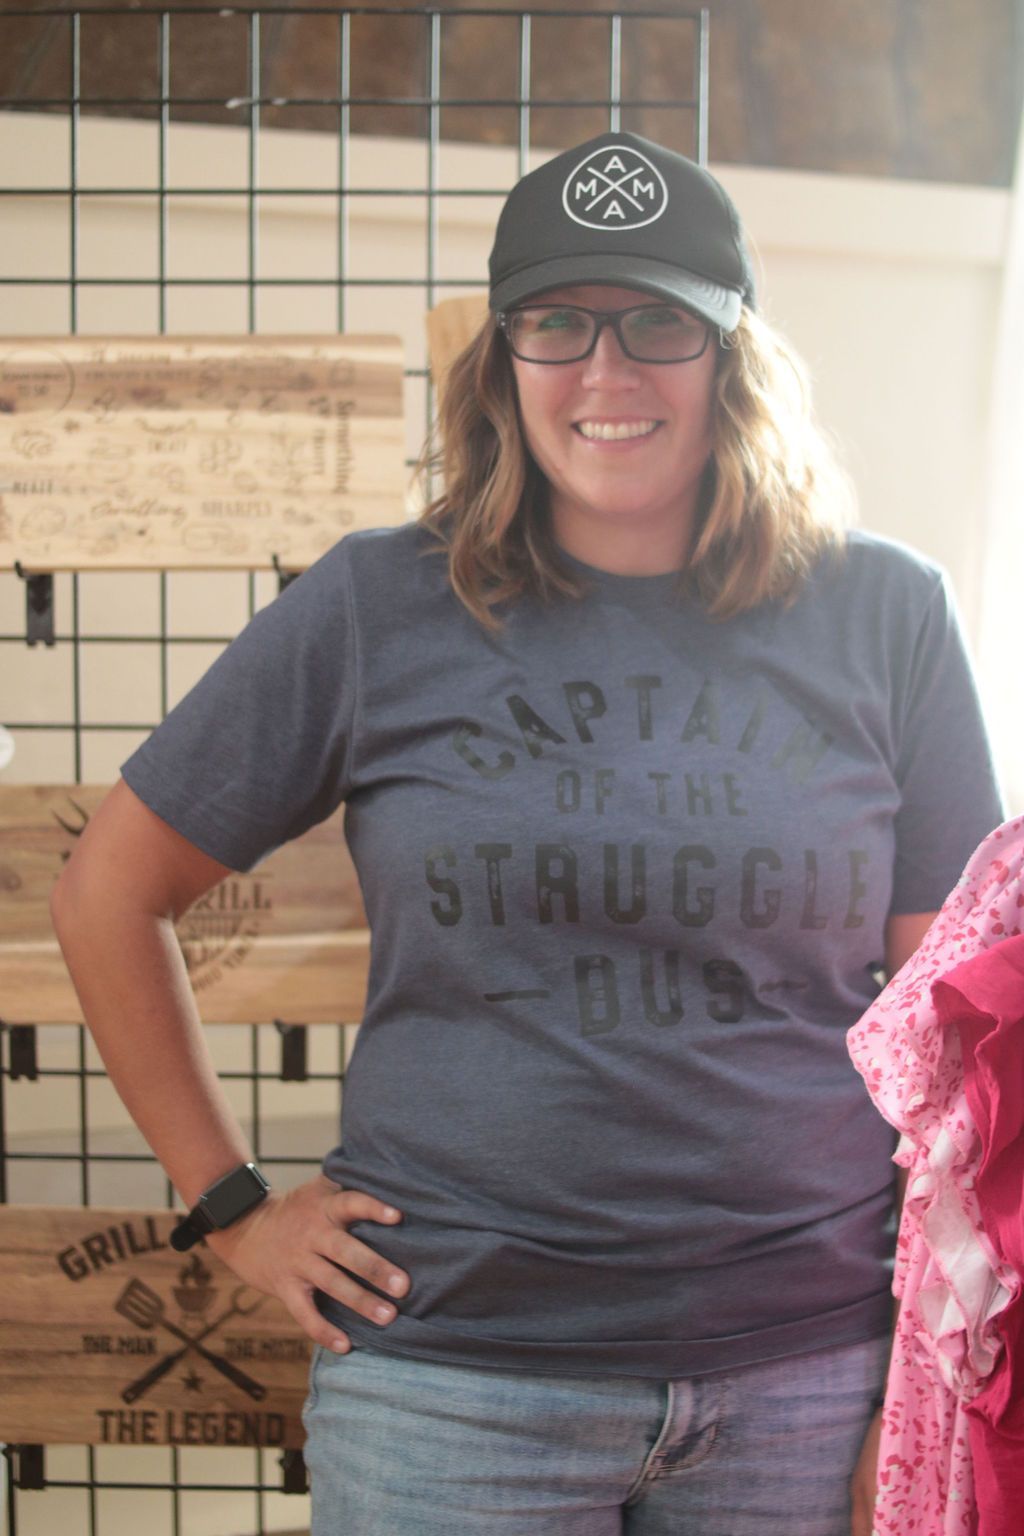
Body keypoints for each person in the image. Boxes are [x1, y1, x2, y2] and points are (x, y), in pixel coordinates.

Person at [50, 131, 1004, 1536]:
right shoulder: (382, 609)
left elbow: (956, 1039)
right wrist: (231, 1206)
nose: (606, 373)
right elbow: (106, 894)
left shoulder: (888, 615)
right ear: (500, 365)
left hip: (805, 1372)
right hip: (453, 1379)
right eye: (557, 325)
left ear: (729, 358)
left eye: (657, 325)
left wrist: (923, 1378)